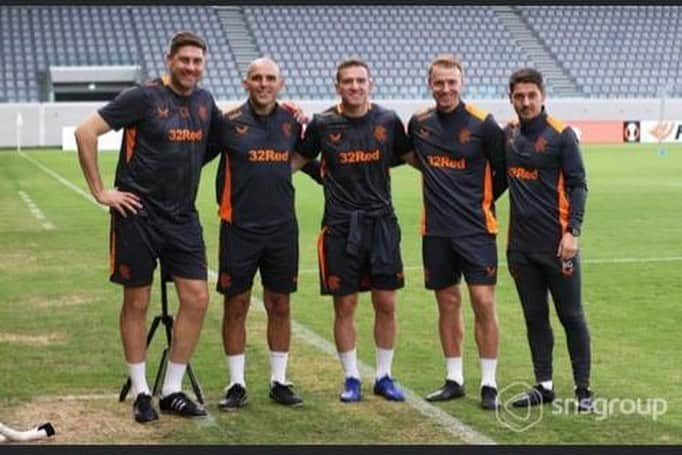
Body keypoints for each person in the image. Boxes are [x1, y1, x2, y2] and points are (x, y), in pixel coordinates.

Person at [75, 31, 221, 423]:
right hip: (136, 214)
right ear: (170, 59)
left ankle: (172, 389)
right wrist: (101, 191)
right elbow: (85, 132)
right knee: (136, 302)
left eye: (197, 61)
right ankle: (142, 390)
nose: (191, 67)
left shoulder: (206, 103)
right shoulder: (142, 97)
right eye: (185, 60)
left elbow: (220, 141)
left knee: (197, 298)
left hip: (182, 217)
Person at [292, 58, 411, 403]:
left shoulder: (388, 121)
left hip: (382, 224)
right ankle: (351, 378)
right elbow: (294, 162)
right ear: (337, 86)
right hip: (341, 227)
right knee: (345, 305)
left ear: (370, 83)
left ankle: (384, 376)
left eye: (360, 81)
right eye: (348, 82)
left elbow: (414, 158)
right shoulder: (323, 123)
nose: (355, 87)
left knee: (386, 302)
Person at [210, 57, 320, 410]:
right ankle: (236, 383)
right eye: (256, 78)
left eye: (270, 78)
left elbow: (309, 160)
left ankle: (279, 381)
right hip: (238, 228)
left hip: (281, 229)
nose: (263, 84)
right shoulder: (227, 123)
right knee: (236, 304)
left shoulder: (292, 121)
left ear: (280, 83)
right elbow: (191, 156)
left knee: (280, 304)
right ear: (246, 83)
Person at [401, 54, 506, 410]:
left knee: (483, 302)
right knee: (447, 303)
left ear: (462, 83)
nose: (445, 89)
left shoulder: (484, 124)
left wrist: (479, 202)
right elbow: (413, 158)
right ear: (430, 84)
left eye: (451, 83)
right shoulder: (419, 123)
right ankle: (454, 378)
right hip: (436, 231)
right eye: (439, 83)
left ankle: (489, 383)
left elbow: (502, 172)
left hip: (477, 230)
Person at [503, 68, 594, 412]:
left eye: (532, 96)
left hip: (559, 246)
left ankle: (583, 389)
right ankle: (543, 385)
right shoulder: (508, 135)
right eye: (519, 96)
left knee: (571, 316)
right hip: (521, 249)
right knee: (534, 316)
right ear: (511, 98)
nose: (526, 102)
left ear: (543, 96)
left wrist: (573, 231)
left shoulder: (562, 135)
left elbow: (579, 185)